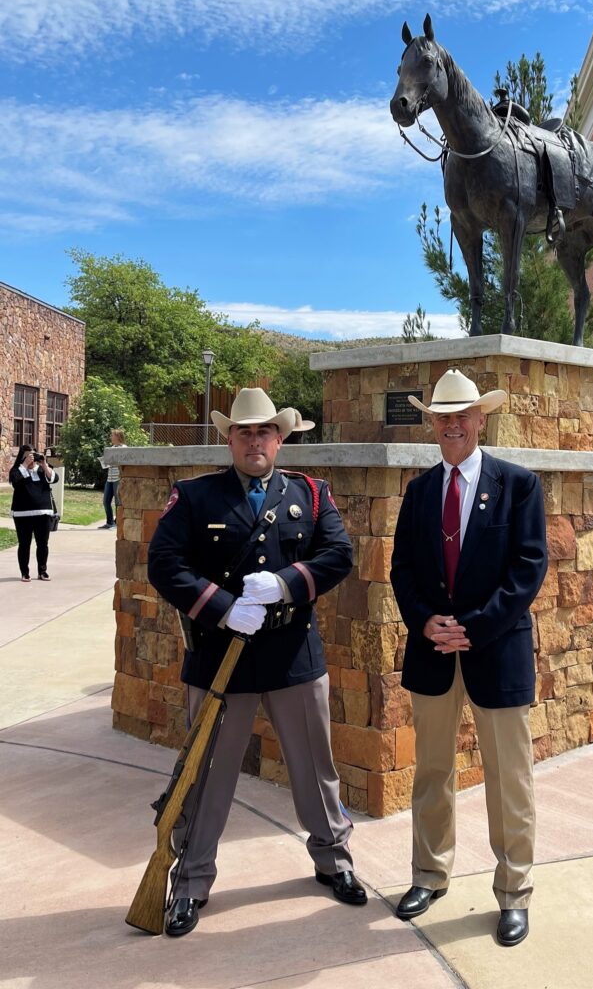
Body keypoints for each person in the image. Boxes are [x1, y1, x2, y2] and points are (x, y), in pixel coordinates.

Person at [147, 388, 367, 937]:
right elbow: (164, 564)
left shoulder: (312, 494)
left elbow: (338, 554)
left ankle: (334, 861)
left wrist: (286, 584)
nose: (254, 440)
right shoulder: (195, 497)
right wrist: (222, 609)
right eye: (243, 431)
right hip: (223, 661)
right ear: (229, 438)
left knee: (315, 771)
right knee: (208, 774)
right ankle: (191, 881)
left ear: (280, 437)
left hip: (294, 656)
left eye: (264, 430)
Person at [389, 369, 548, 947]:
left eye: (463, 415)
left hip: (496, 653)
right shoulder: (419, 491)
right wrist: (425, 620)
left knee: (510, 779)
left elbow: (528, 570)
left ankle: (514, 891)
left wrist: (474, 629)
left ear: (482, 419)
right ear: (432, 424)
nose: (453, 424)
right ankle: (429, 875)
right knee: (432, 772)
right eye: (442, 416)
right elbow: (402, 569)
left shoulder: (519, 485)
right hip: (433, 652)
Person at [9, 444, 60, 582]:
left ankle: (42, 571)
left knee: (43, 544)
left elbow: (54, 479)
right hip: (22, 514)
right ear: (22, 457)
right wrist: (24, 465)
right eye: (28, 455)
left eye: (33, 454)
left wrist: (44, 464)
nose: (31, 458)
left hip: (43, 513)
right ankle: (24, 572)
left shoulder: (42, 470)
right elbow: (15, 480)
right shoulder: (17, 470)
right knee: (24, 544)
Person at [98, 429, 126, 529]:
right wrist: (104, 461)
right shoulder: (112, 448)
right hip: (109, 478)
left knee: (118, 502)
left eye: (112, 435)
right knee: (106, 501)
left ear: (118, 437)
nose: (111, 437)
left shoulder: (124, 448)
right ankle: (109, 522)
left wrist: (112, 461)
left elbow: (123, 462)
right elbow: (110, 462)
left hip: (117, 478)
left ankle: (117, 523)